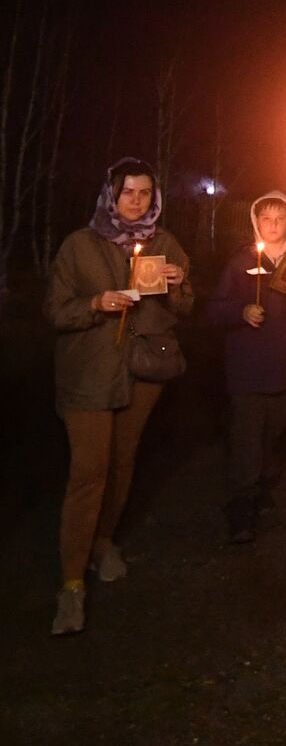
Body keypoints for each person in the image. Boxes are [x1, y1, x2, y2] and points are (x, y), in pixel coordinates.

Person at [45, 157, 192, 635]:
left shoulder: (165, 244)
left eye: (145, 193)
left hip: (143, 371)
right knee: (89, 472)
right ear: (111, 195)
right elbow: (55, 310)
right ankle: (71, 584)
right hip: (89, 374)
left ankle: (104, 541)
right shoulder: (79, 246)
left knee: (123, 461)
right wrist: (95, 303)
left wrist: (176, 286)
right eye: (127, 192)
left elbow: (186, 306)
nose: (136, 201)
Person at [207, 191, 286, 543]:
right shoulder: (241, 263)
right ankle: (242, 509)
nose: (272, 225)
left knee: (274, 435)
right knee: (246, 441)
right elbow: (214, 309)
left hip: (285, 369)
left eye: (279, 218)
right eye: (265, 218)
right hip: (248, 370)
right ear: (256, 222)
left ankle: (263, 487)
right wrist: (241, 312)